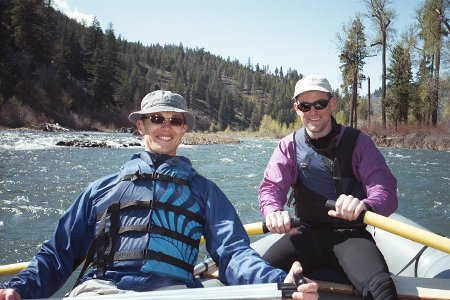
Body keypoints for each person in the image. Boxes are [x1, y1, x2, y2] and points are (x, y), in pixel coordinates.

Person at [0, 90, 318, 300]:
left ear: (183, 130)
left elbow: (233, 254)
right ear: (140, 126)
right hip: (102, 292)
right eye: (156, 119)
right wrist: (18, 289)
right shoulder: (99, 191)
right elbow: (56, 255)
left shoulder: (204, 193)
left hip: (174, 293)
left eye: (175, 120)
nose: (165, 126)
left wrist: (277, 280)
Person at [258, 75, 399, 300]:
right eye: (305, 106)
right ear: (297, 108)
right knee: (256, 273)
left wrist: (366, 206)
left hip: (350, 234)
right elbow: (270, 187)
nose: (313, 111)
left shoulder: (359, 143)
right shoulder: (288, 146)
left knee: (380, 288)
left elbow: (386, 191)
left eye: (320, 104)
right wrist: (272, 211)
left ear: (332, 104)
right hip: (305, 232)